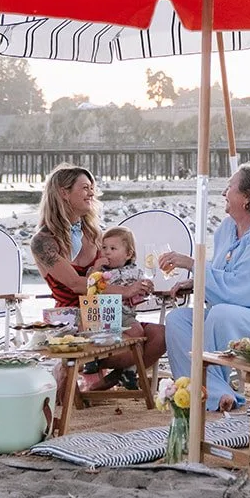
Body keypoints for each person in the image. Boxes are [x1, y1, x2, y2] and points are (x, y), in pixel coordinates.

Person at [159, 162, 250, 412]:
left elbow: (244, 292)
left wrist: (194, 265)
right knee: (178, 318)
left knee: (221, 313)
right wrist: (195, 281)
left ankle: (212, 390)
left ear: (247, 197)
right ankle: (214, 393)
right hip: (229, 313)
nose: (224, 193)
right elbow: (223, 273)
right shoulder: (226, 230)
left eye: (229, 187)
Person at [29, 164, 165, 390]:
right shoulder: (43, 241)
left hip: (107, 313)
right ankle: (80, 368)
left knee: (161, 336)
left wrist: (138, 284)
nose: (91, 193)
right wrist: (126, 291)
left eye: (92, 188)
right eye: (84, 188)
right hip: (72, 320)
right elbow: (76, 284)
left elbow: (116, 271)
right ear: (64, 192)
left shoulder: (94, 234)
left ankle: (103, 382)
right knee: (133, 342)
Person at [75, 226, 166, 391]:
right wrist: (96, 267)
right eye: (104, 248)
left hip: (124, 314)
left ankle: (127, 371)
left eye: (112, 249)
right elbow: (88, 285)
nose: (107, 252)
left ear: (128, 254)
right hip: (102, 313)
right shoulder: (99, 272)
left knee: (137, 330)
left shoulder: (135, 271)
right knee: (88, 328)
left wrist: (146, 287)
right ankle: (92, 359)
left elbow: (144, 287)